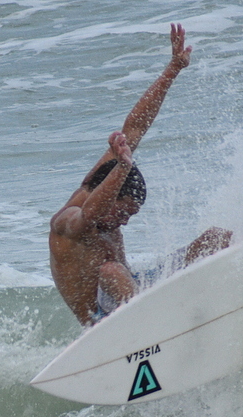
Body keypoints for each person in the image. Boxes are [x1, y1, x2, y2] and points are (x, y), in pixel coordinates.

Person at [48, 24, 232, 325]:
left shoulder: (105, 175)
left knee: (215, 238)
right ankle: (162, 326)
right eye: (123, 213)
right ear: (107, 195)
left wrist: (172, 69)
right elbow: (90, 215)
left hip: (136, 287)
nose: (125, 222)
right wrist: (123, 167)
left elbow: (134, 128)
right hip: (103, 319)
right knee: (110, 272)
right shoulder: (66, 223)